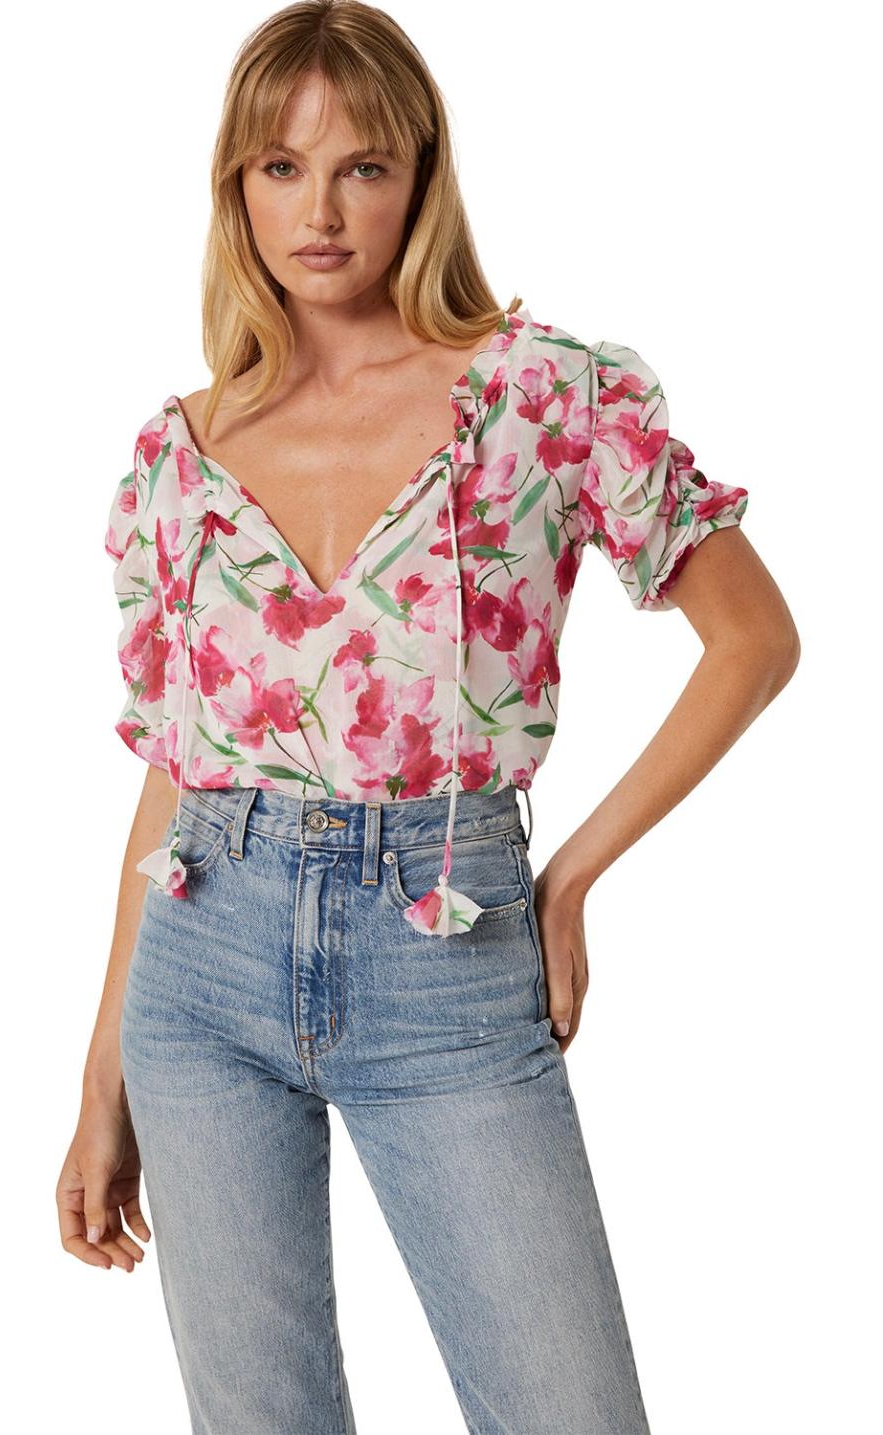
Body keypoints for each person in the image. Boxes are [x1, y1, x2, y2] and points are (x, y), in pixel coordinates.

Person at [56, 2, 800, 1430]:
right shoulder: (183, 454)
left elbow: (754, 642)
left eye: (363, 166)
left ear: (423, 176)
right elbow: (172, 774)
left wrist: (565, 880)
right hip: (201, 967)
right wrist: (102, 1083)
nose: (321, 212)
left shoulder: (543, 396)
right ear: (235, 189)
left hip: (446, 948)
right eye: (281, 169)